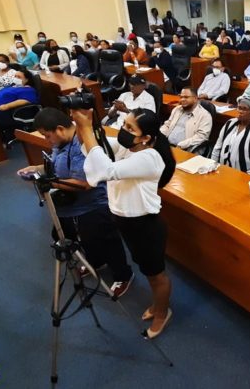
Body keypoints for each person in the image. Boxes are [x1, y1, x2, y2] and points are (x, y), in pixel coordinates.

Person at [74, 106, 177, 339]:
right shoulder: (128, 146)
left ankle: (162, 312)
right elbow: (92, 150)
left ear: (146, 138)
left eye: (130, 128)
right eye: (124, 124)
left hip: (146, 226)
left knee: (155, 274)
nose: (124, 130)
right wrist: (82, 125)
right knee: (146, 268)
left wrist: (88, 128)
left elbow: (104, 169)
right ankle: (157, 306)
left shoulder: (150, 157)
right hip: (127, 223)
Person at [17, 108, 134, 298]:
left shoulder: (81, 146)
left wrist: (47, 181)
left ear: (60, 129)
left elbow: (84, 184)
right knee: (88, 240)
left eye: (47, 136)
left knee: (108, 241)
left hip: (94, 205)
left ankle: (123, 276)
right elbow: (55, 166)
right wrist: (37, 169)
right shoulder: (60, 143)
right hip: (73, 206)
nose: (47, 141)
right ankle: (95, 263)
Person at [211, 96, 250, 178]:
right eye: (239, 108)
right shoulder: (229, 123)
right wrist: (212, 166)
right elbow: (217, 147)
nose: (240, 111)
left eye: (244, 109)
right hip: (223, 170)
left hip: (245, 175)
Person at [0, 69, 39, 142]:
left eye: (19, 77)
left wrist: (7, 106)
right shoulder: (13, 86)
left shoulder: (28, 90)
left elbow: (26, 100)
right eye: (15, 76)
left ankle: (0, 142)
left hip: (6, 113)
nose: (16, 78)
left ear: (27, 79)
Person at [160, 87, 213, 152]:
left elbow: (201, 137)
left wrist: (181, 145)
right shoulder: (177, 109)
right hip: (167, 146)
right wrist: (160, 135)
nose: (182, 99)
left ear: (195, 99)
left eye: (186, 97)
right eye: (181, 97)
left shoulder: (205, 116)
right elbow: (167, 125)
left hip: (185, 149)